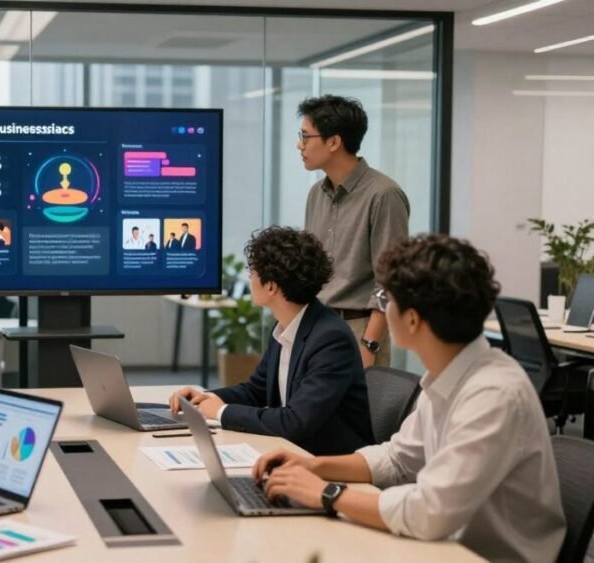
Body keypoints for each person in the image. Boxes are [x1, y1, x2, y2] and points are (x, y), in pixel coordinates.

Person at [254, 235, 565, 563]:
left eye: (386, 300)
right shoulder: (448, 374)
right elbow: (399, 460)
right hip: (442, 545)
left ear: (412, 320)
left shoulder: (494, 396)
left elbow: (429, 510)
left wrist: (327, 493)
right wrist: (314, 466)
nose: (382, 310)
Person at [169, 227, 373, 455]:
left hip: (329, 465)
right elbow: (257, 390)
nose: (249, 276)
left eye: (252, 270)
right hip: (293, 453)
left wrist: (221, 412)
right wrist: (208, 398)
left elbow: (295, 422)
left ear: (271, 286)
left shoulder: (330, 339)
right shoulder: (285, 326)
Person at [298, 95, 409, 369]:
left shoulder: (384, 195)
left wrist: (370, 344)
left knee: (361, 412)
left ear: (333, 142)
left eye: (305, 136)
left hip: (359, 329)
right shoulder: (316, 194)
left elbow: (390, 281)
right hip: (316, 325)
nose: (299, 145)